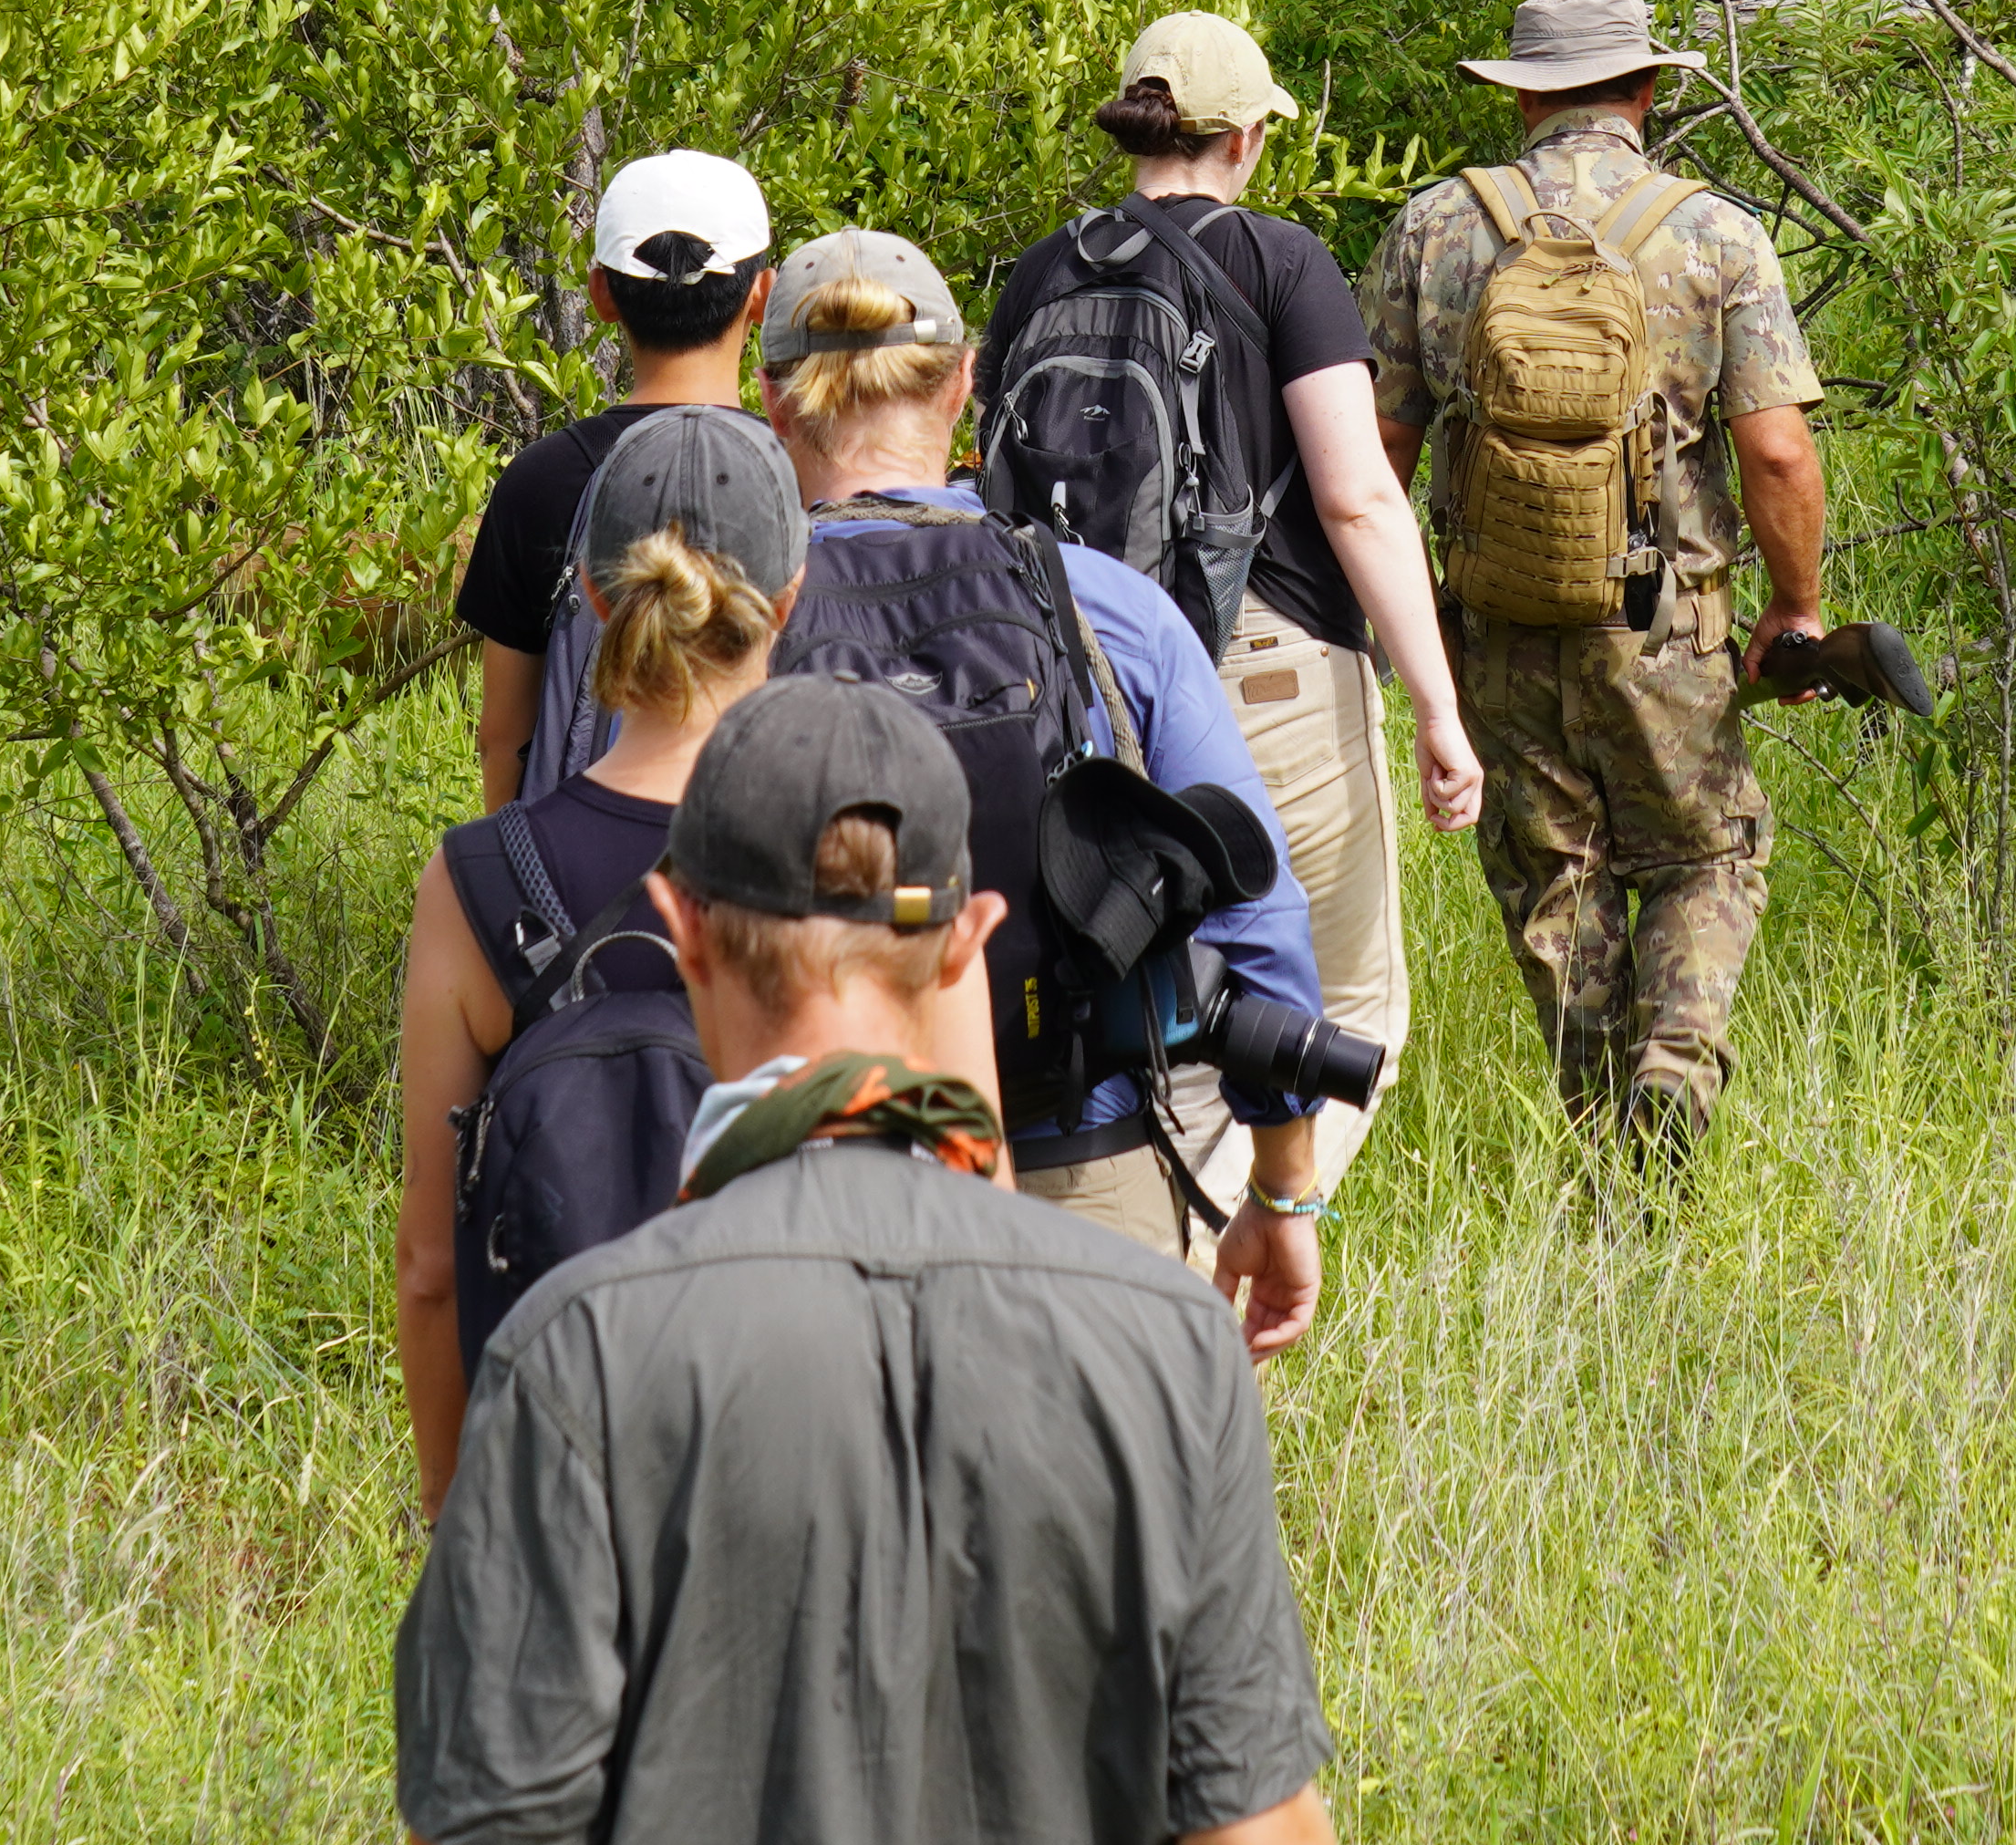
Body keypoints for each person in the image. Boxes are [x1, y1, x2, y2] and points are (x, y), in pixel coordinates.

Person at [394, 676, 1339, 1845]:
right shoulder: (1169, 1344)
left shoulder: (576, 1355)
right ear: (969, 943)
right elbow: (1259, 1825)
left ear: (680, 927)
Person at [759, 228, 1334, 1341]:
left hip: (807, 1179)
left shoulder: (730, 625)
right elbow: (1255, 905)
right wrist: (1280, 1185)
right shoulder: (1100, 606)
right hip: (1083, 1165)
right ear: (967, 383)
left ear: (776, 403)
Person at [978, 11, 1477, 1197]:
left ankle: (1148, 1265)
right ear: (1248, 137)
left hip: (1078, 689)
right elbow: (1358, 500)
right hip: (1266, 675)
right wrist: (1438, 709)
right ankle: (1238, 1246)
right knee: (1347, 1010)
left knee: (1145, 1011)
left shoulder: (1043, 270)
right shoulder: (1282, 261)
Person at [1364, 0, 1825, 1170]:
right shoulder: (1716, 232)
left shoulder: (1437, 226)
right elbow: (1775, 449)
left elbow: (1380, 459)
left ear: (1522, 98)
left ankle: (1607, 1148)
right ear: (1649, 87)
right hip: (1664, 627)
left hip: (1498, 630)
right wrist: (1798, 606)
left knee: (1555, 880)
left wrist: (1412, 646)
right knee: (1705, 852)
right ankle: (1676, 1063)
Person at [395, 405, 798, 1510]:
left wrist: (455, 1520)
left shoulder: (478, 878)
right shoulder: (858, 852)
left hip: (559, 1485)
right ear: (793, 601)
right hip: (797, 1476)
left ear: (588, 592)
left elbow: (430, 1269)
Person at [464, 150, 772, 809]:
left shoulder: (540, 481)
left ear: (601, 294)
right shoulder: (795, 479)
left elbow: (503, 736)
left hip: (581, 877)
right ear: (762, 296)